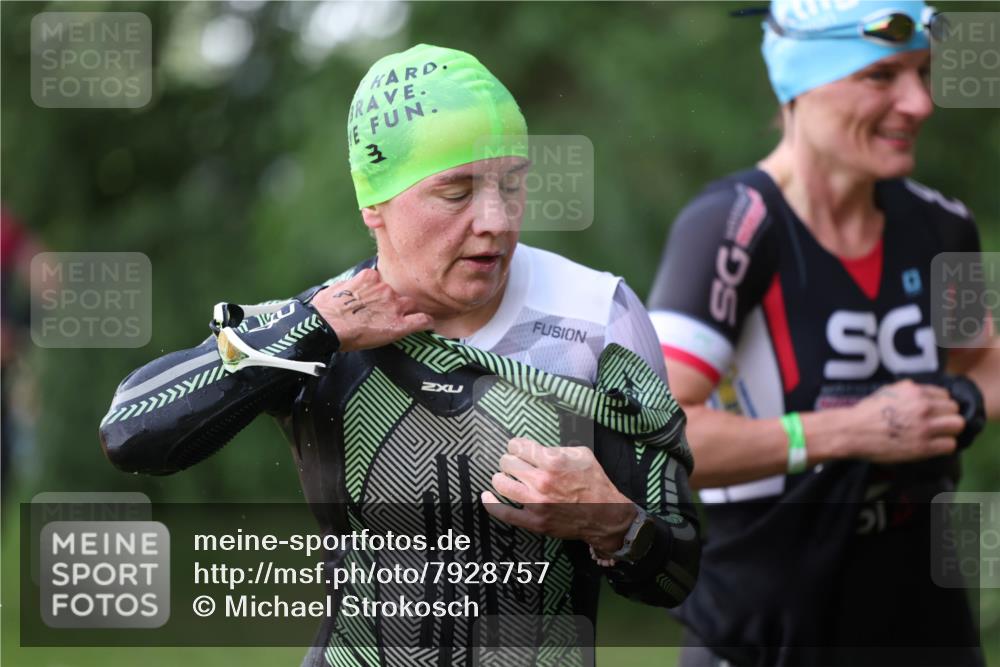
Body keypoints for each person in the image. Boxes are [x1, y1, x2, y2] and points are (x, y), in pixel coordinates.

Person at [100, 44, 700, 666]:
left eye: (512, 184)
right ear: (374, 204)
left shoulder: (598, 316)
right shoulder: (318, 327)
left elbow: (678, 573)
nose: (495, 219)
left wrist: (612, 524)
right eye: (456, 191)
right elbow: (131, 433)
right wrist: (309, 330)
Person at [647, 2, 997, 666]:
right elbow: (656, 436)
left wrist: (955, 399)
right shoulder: (732, 226)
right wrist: (850, 431)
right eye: (883, 75)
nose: (919, 102)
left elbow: (985, 366)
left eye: (922, 73)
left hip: (924, 623)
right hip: (767, 632)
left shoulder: (942, 226)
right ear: (802, 81)